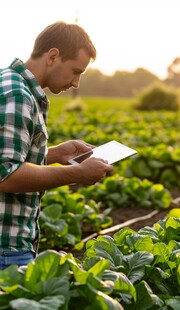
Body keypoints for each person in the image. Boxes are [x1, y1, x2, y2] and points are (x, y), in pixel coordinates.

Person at [0, 21, 113, 270]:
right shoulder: (18, 95)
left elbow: (7, 157)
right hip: (5, 248)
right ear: (53, 56)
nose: (76, 83)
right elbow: (6, 175)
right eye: (75, 71)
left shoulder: (10, 82)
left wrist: (55, 154)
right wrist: (77, 174)